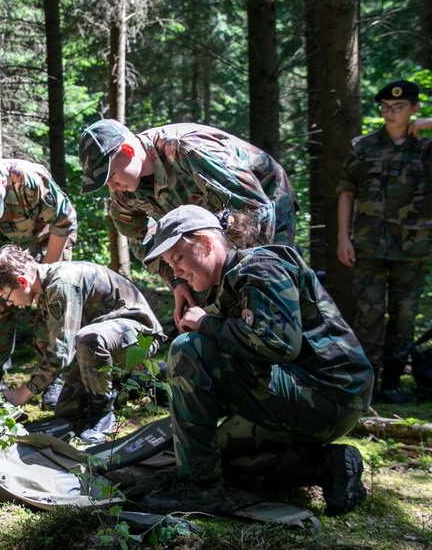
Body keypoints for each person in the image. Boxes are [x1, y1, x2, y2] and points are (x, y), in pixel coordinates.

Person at [139, 205, 373, 517]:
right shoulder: (227, 284)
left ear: (207, 243)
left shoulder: (260, 266)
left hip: (329, 395)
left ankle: (200, 489)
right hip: (301, 395)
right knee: (218, 458)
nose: (177, 272)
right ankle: (327, 466)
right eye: (171, 264)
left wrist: (205, 324)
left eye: (178, 259)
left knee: (188, 348)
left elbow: (278, 345)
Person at [79, 119, 297, 326]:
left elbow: (254, 209)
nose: (113, 186)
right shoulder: (123, 195)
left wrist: (245, 277)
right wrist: (176, 282)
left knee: (269, 288)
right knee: (209, 297)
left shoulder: (186, 150)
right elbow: (142, 241)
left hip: (265, 200)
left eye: (112, 174)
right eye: (105, 182)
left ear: (128, 150)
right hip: (216, 226)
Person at [0, 245, 165, 442]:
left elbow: (61, 354)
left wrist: (25, 393)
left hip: (140, 336)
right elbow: (50, 346)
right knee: (68, 411)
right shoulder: (46, 290)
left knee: (89, 338)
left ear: (22, 281)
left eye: (6, 297)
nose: (9, 304)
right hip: (107, 343)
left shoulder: (61, 285)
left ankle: (102, 417)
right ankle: (141, 382)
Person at [336, 80, 432, 404]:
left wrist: (427, 124)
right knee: (370, 316)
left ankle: (393, 380)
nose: (391, 114)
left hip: (413, 247)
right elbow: (347, 190)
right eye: (386, 108)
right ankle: (368, 383)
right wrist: (342, 238)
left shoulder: (425, 148)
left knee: (404, 315)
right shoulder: (363, 147)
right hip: (369, 245)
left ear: (414, 109)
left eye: (400, 107)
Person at [0, 160, 77, 400]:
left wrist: (44, 275)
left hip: (49, 238)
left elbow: (64, 222)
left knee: (51, 301)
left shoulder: (30, 181)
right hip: (5, 244)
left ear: (5, 184)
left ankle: (50, 380)